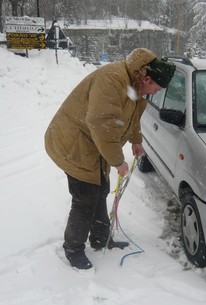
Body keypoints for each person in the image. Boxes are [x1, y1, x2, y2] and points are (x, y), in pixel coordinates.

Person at [45, 48, 176, 270]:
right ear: (147, 78)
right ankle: (73, 249)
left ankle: (99, 238)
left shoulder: (134, 84)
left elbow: (133, 115)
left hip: (93, 145)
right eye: (156, 87)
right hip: (73, 143)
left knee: (102, 189)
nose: (155, 92)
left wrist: (136, 140)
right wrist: (117, 161)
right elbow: (102, 123)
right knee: (86, 196)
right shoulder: (112, 80)